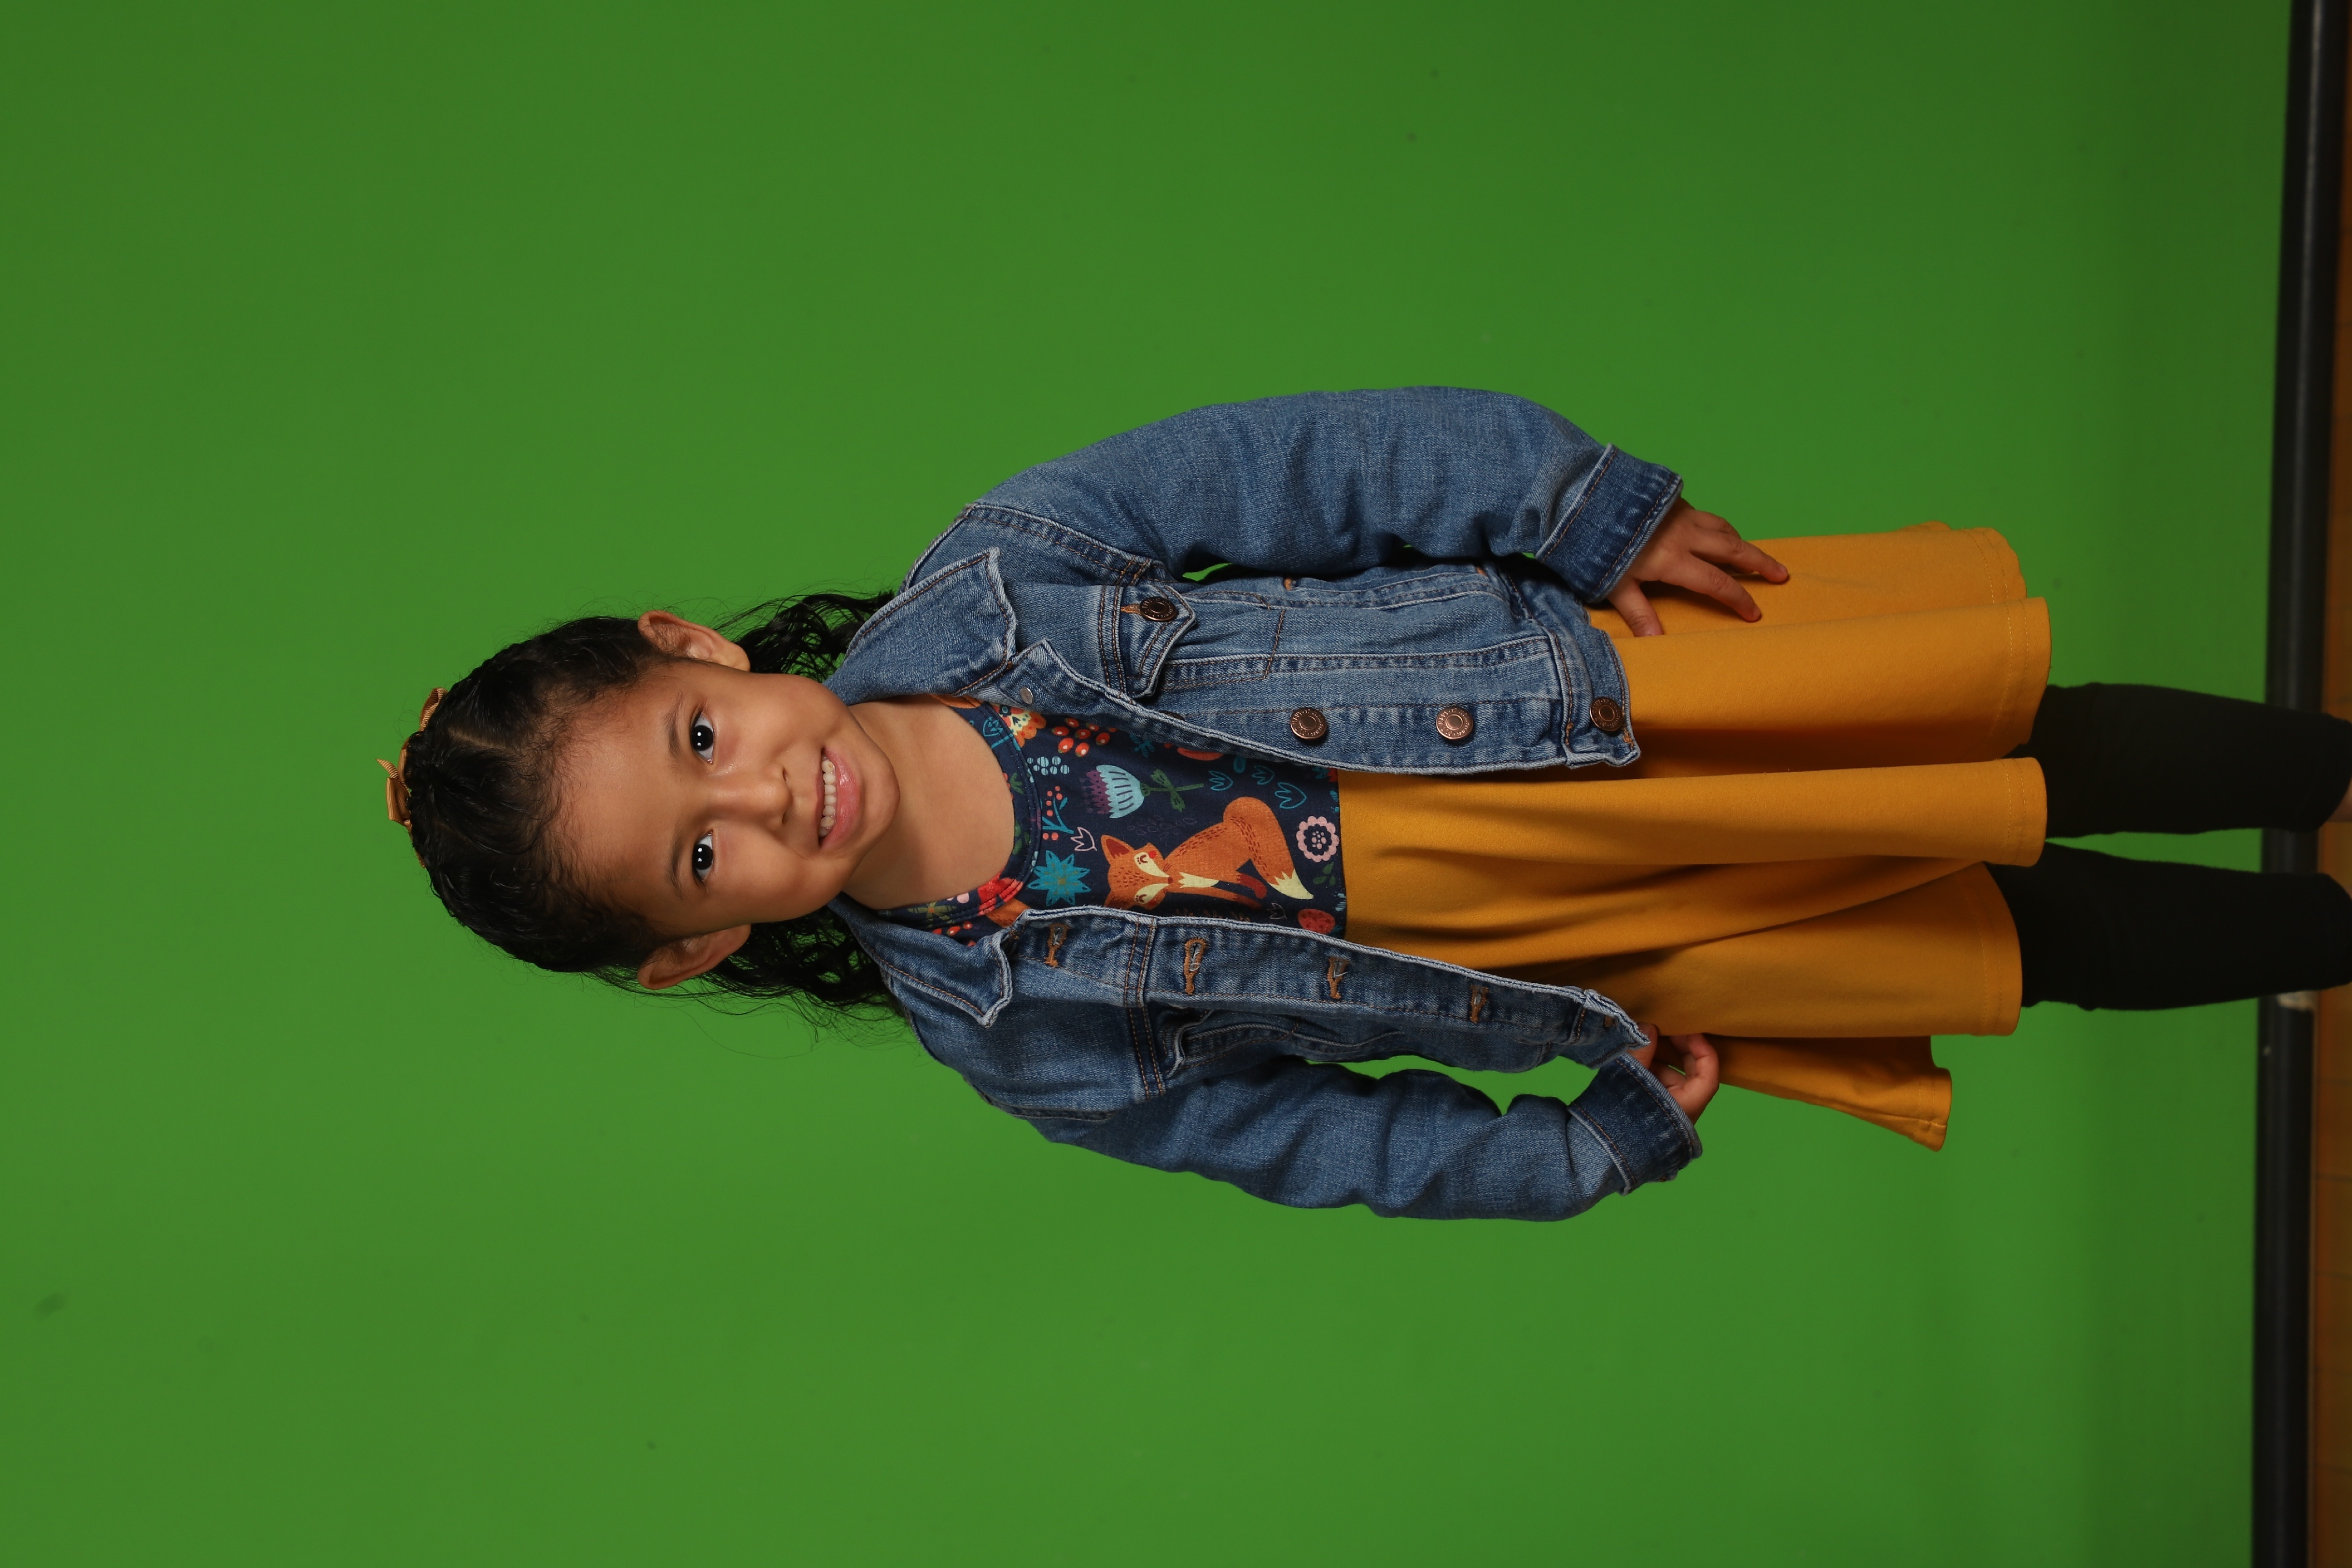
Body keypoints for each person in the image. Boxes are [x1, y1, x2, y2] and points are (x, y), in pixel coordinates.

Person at [379, 389, 2352, 1220]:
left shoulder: (1009, 572)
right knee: (2011, 927)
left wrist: (1575, 505)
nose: (760, 799)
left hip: (1593, 699)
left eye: (697, 743)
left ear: (694, 649)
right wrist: (1575, 1150)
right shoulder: (1013, 1033)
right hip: (1580, 936)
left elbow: (1309, 466)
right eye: (700, 855)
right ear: (703, 944)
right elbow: (1309, 1144)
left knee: (2024, 745)